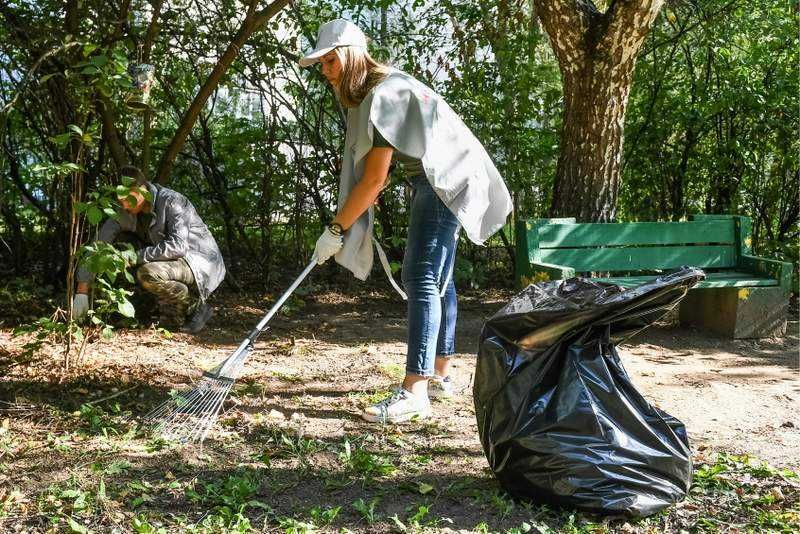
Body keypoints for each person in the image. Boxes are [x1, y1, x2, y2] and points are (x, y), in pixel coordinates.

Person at [299, 20, 512, 423]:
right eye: (321, 64)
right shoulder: (387, 86)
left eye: (330, 61)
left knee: (421, 275)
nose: (325, 72)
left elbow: (374, 180)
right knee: (439, 278)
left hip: (443, 179)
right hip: (448, 175)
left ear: (349, 56)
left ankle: (415, 391)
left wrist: (335, 229)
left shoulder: (385, 95)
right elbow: (380, 173)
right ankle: (440, 374)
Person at [72, 166, 226, 333]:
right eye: (121, 200)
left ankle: (195, 307)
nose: (125, 205)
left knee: (147, 273)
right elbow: (99, 245)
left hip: (199, 262)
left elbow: (178, 246)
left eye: (129, 198)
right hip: (169, 263)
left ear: (143, 190)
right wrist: (82, 289)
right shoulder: (124, 211)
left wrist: (132, 257)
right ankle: (149, 309)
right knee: (118, 247)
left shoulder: (172, 201)